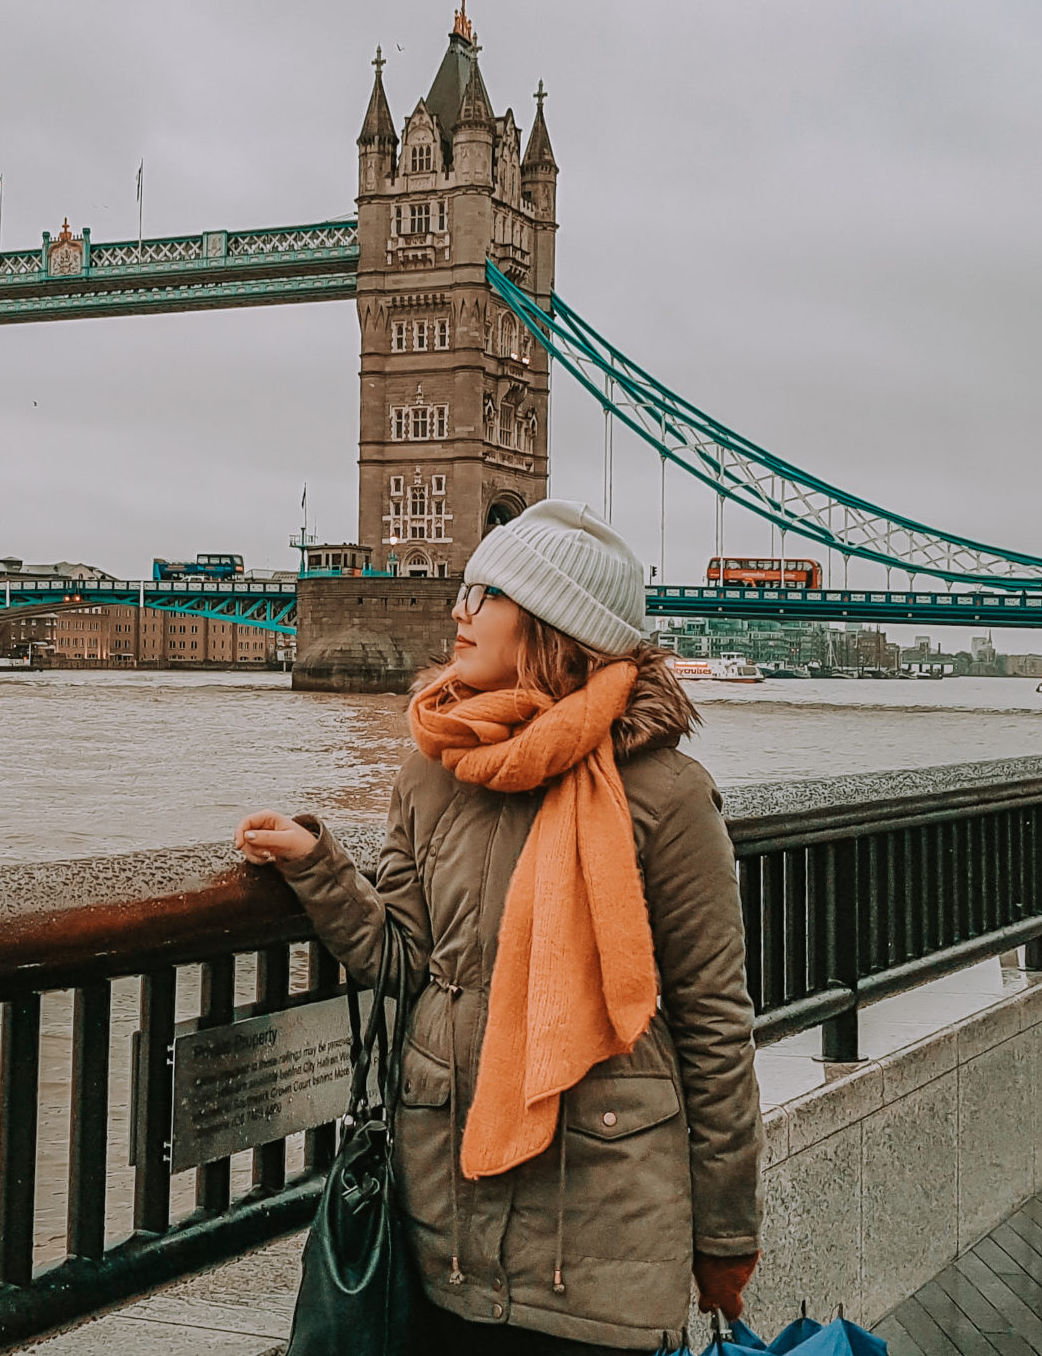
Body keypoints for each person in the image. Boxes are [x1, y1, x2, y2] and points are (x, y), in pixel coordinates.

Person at [236, 501, 761, 1353]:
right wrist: (317, 868)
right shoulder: (432, 771)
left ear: (554, 622)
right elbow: (405, 962)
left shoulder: (667, 796)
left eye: (486, 593)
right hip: (444, 1233)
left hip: (602, 1249)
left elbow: (714, 1029)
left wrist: (728, 1234)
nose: (457, 610)